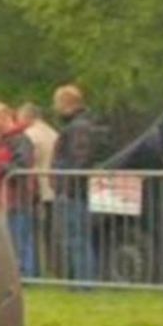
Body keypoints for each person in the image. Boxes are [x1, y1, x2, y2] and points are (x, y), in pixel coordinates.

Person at [53, 83, 105, 283]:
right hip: (76, 189)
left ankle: (84, 281)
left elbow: (79, 158)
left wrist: (63, 179)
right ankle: (81, 280)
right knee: (77, 238)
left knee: (77, 238)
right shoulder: (81, 125)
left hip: (74, 191)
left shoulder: (78, 127)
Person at [0, 101, 37, 277]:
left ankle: (26, 275)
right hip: (7, 199)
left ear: (3, 118)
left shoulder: (21, 140)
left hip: (19, 197)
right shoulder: (3, 141)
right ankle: (18, 274)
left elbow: (21, 166)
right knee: (14, 239)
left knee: (21, 240)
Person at [19, 101, 61, 276]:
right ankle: (54, 267)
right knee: (51, 231)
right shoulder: (53, 132)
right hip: (52, 187)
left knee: (34, 232)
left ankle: (35, 269)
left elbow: (29, 159)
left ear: (27, 116)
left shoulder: (30, 135)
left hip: (37, 188)